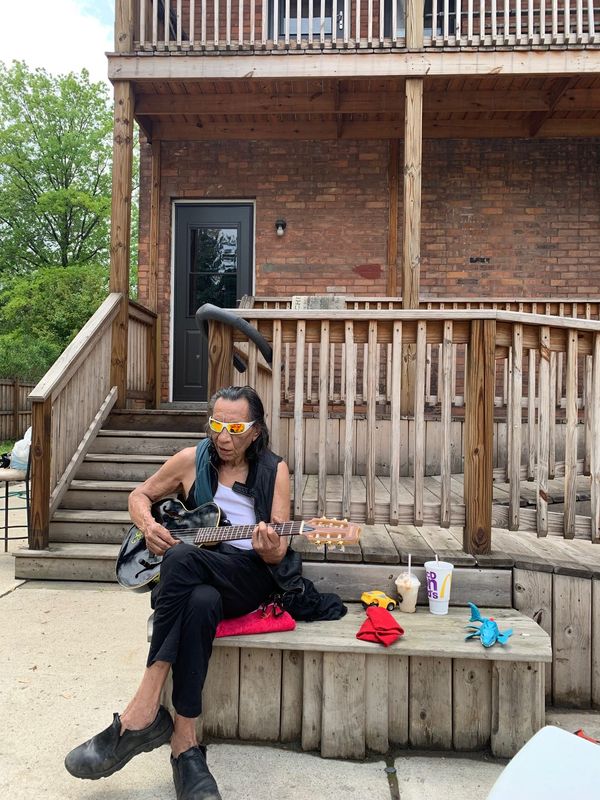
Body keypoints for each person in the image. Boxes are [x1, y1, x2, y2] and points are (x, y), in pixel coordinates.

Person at [65, 385, 292, 800]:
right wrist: (149, 526)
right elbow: (140, 496)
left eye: (236, 427)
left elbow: (277, 553)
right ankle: (185, 745)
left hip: (246, 578)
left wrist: (270, 546)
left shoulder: (275, 471)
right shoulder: (191, 460)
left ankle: (142, 711)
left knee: (182, 559)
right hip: (199, 582)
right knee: (199, 599)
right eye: (217, 425)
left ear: (256, 431)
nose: (223, 437)